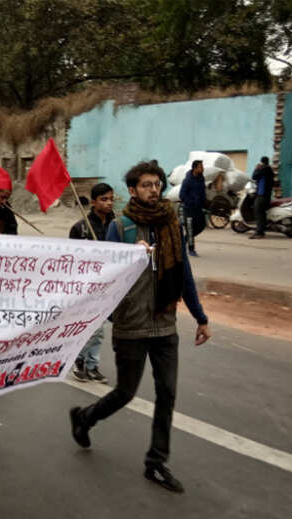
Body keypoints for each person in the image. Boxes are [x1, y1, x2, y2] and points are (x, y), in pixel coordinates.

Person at [69, 161, 211, 494]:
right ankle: (85, 417)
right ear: (132, 191)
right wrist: (128, 258)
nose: (154, 189)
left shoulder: (172, 224)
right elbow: (104, 277)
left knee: (168, 393)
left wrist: (201, 317)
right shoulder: (121, 227)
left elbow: (184, 274)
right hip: (131, 326)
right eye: (146, 185)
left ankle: (156, 461)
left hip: (164, 324)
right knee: (125, 392)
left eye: (157, 184)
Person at [68, 182, 115, 383]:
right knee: (92, 327)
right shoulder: (81, 228)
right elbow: (72, 259)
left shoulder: (118, 225)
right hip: (87, 286)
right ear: (94, 202)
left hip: (110, 285)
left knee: (100, 329)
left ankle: (92, 365)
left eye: (111, 199)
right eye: (104, 199)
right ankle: (80, 361)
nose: (109, 203)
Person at [179, 160, 207, 256]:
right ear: (195, 168)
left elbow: (202, 193)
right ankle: (191, 250)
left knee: (201, 226)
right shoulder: (188, 181)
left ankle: (184, 240)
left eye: (202, 167)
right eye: (200, 167)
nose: (202, 169)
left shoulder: (201, 179)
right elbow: (182, 195)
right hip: (189, 209)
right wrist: (191, 202)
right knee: (190, 229)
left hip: (198, 209)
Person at [0, 164, 18, 235]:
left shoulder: (6, 208)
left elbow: (12, 229)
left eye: (7, 198)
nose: (4, 201)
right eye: (2, 197)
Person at [251, 156, 275, 239]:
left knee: (258, 213)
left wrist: (257, 168)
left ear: (262, 162)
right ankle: (261, 231)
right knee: (262, 214)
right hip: (266, 195)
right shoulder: (270, 170)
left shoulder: (264, 169)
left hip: (262, 195)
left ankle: (259, 232)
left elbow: (254, 176)